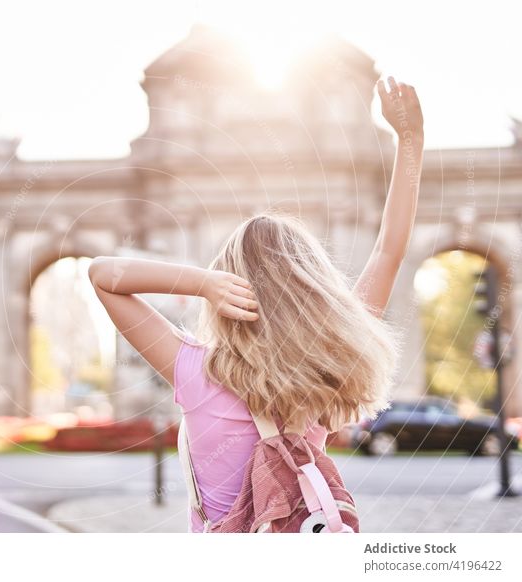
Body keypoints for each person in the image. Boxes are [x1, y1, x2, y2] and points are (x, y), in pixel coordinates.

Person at [88, 76, 423, 532]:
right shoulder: (327, 369)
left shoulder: (194, 370)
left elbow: (103, 276)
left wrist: (203, 282)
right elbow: (388, 250)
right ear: (313, 287)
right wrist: (410, 139)